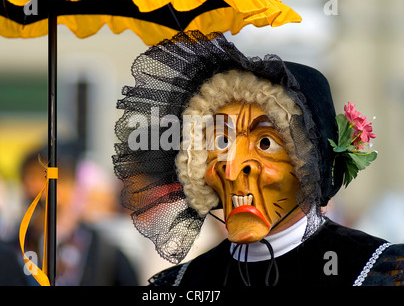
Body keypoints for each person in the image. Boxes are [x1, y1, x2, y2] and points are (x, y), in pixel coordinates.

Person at [112, 31, 404, 286]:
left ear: (312, 164)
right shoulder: (183, 283)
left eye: (265, 142)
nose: (232, 168)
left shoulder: (374, 270)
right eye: (221, 141)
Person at [17, 143, 139, 286]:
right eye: (32, 178)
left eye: (53, 179)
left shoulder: (104, 252)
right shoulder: (11, 246)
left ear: (73, 185)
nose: (41, 189)